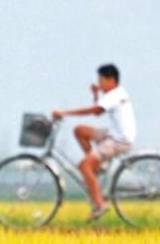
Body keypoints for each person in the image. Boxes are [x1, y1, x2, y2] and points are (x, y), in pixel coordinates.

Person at [52, 64, 137, 221]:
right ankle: (97, 166)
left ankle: (99, 204)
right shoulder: (116, 93)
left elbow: (95, 111)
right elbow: (99, 111)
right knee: (80, 130)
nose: (99, 84)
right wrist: (96, 95)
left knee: (84, 166)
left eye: (101, 80)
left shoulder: (115, 95)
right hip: (113, 134)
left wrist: (64, 112)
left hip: (118, 140)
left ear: (111, 80)